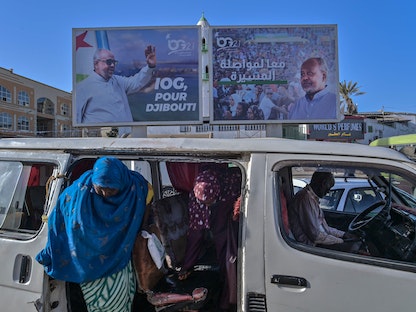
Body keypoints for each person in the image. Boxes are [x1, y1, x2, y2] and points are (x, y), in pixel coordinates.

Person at [36, 157, 153, 312]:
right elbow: (57, 221)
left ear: (122, 182)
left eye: (111, 189)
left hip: (120, 263)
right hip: (87, 266)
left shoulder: (137, 190)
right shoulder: (78, 193)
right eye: (100, 188)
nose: (105, 193)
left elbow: (144, 224)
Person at [178, 163, 242, 311]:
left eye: (211, 201)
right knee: (226, 265)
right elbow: (196, 233)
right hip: (222, 228)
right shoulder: (196, 198)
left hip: (229, 225)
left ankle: (226, 305)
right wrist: (187, 266)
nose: (208, 204)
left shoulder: (230, 183)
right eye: (205, 203)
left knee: (229, 265)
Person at [76, 45, 157, 125]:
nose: (112, 65)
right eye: (109, 62)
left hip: (127, 136)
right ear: (96, 64)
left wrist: (150, 66)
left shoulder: (118, 81)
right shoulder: (83, 87)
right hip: (100, 137)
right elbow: (76, 118)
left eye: (114, 62)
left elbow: (137, 82)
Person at [288, 171, 357, 251]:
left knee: (354, 245)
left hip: (317, 242)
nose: (328, 192)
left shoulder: (312, 198)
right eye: (328, 188)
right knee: (354, 248)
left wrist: (343, 234)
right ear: (323, 184)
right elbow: (315, 235)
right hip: (310, 246)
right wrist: (341, 241)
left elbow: (325, 228)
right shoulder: (304, 199)